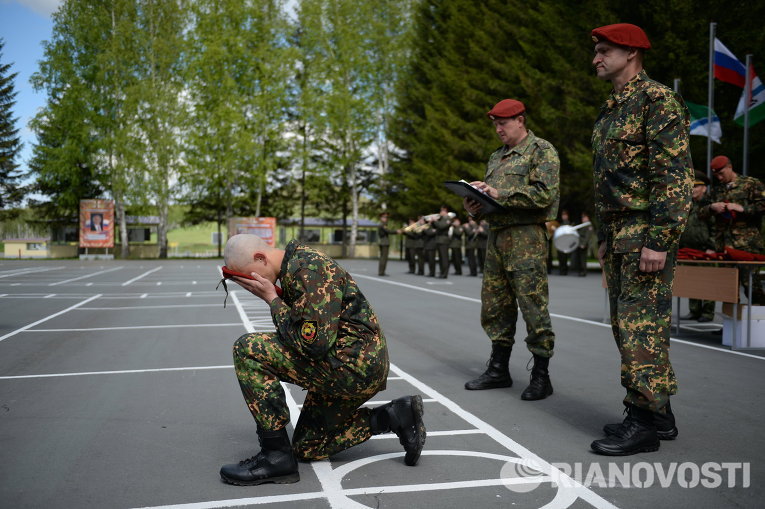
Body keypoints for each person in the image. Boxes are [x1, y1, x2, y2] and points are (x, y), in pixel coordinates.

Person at [218, 234, 426, 485]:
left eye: (248, 276)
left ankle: (275, 457)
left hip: (353, 366)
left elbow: (313, 344)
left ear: (260, 258)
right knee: (308, 446)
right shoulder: (295, 265)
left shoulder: (307, 269)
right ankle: (395, 416)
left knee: (248, 349)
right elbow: (306, 328)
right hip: (347, 362)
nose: (249, 284)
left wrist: (272, 300)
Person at [590, 23, 692, 456]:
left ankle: (643, 423)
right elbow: (609, 180)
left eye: (604, 50)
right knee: (630, 327)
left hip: (644, 232)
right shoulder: (613, 106)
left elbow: (674, 176)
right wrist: (602, 235)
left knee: (639, 330)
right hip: (618, 232)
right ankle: (659, 413)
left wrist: (660, 239)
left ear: (631, 53)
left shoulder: (657, 100)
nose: (595, 58)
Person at [463, 98, 560, 401]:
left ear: (520, 120)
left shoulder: (541, 151)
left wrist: (498, 192)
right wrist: (474, 205)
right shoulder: (497, 158)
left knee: (533, 306)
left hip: (526, 240)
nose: (498, 130)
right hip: (497, 239)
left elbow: (544, 195)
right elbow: (492, 203)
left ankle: (541, 376)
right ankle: (498, 369)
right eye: (494, 125)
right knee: (495, 306)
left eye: (502, 123)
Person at [703, 155, 765, 304]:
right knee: (727, 289)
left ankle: (758, 325)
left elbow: (762, 206)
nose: (718, 177)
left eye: (721, 173)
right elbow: (700, 212)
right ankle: (730, 326)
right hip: (723, 244)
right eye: (715, 174)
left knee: (752, 286)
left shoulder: (751, 184)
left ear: (729, 167)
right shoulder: (716, 190)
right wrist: (711, 208)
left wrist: (742, 208)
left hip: (746, 245)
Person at [679, 171, 716, 322]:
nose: (693, 189)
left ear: (704, 188)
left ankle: (707, 313)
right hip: (688, 249)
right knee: (692, 280)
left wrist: (712, 246)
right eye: (691, 186)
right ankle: (694, 310)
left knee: (707, 281)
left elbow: (715, 228)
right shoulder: (687, 205)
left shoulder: (709, 206)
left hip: (705, 250)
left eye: (696, 187)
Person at [434, 206, 452, 278]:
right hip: (439, 240)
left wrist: (435, 221)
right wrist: (432, 222)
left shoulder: (448, 219)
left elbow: (441, 226)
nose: (440, 212)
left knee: (444, 257)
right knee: (441, 258)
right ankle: (442, 272)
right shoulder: (441, 219)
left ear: (445, 211)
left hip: (444, 240)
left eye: (442, 211)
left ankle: (445, 273)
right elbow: (436, 227)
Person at [575, 212, 594, 277]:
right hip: (579, 243)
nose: (583, 219)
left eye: (584, 217)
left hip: (583, 244)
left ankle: (583, 271)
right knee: (579, 258)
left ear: (587, 218)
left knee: (583, 258)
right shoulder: (583, 225)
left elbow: (587, 236)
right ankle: (580, 271)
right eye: (582, 217)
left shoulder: (589, 225)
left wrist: (584, 244)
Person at [377, 212, 397, 276]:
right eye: (385, 217)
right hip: (384, 242)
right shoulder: (382, 225)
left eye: (387, 217)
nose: (386, 218)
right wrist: (397, 231)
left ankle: (381, 271)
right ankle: (381, 272)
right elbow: (388, 231)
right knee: (384, 258)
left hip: (383, 242)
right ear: (381, 218)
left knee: (383, 257)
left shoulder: (383, 224)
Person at [557, 210, 571, 275]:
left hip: (566, 243)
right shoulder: (560, 224)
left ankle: (564, 271)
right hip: (561, 242)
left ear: (567, 216)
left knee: (565, 258)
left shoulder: (569, 223)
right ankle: (561, 270)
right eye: (563, 215)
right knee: (561, 257)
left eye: (565, 215)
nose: (564, 216)